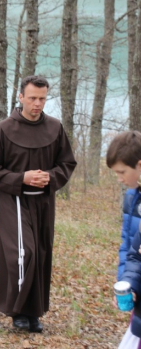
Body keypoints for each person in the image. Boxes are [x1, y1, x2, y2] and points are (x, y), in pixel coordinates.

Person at [0, 75, 77, 333]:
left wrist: (51, 177)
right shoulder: (3, 129)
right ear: (21, 96)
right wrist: (21, 178)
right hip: (13, 200)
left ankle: (33, 313)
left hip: (44, 202)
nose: (37, 104)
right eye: (32, 98)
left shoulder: (55, 128)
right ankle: (17, 311)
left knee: (41, 253)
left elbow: (67, 163)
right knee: (23, 254)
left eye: (42, 99)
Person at [106, 131, 141, 347]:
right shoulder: (131, 197)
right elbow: (128, 244)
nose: (119, 178)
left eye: (122, 172)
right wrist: (126, 282)